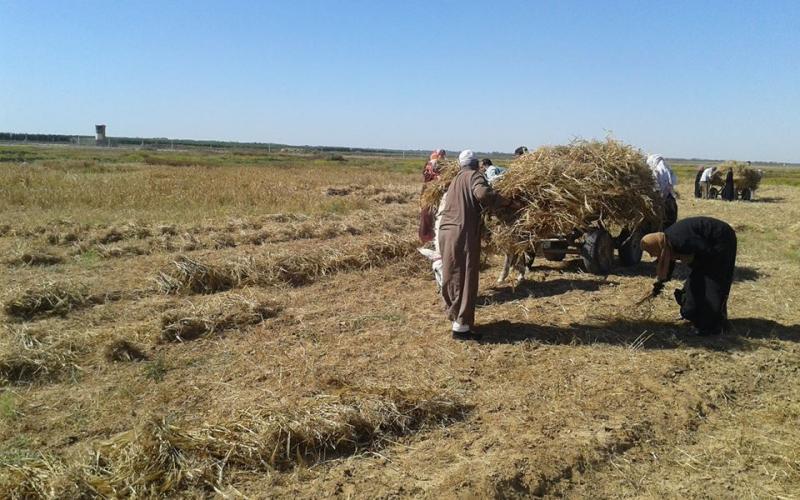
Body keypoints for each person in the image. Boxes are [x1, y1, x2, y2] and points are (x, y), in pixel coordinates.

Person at [439, 149, 511, 340]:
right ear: (476, 164)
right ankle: (461, 328)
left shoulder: (455, 179)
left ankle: (455, 318)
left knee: (452, 275)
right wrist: (504, 201)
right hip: (462, 233)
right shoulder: (474, 176)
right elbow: (482, 194)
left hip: (446, 231)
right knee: (466, 277)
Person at [640, 216, 737, 336]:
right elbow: (668, 265)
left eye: (651, 252)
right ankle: (696, 315)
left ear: (657, 246)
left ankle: (711, 326)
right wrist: (658, 286)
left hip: (720, 239)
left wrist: (697, 265)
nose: (651, 256)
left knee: (711, 284)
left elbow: (705, 251)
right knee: (696, 284)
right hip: (707, 247)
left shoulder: (680, 241)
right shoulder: (666, 243)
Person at [418, 149, 446, 243]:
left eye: (443, 155)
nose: (442, 156)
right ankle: (427, 238)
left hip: (436, 192)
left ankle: (431, 237)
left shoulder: (441, 163)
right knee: (427, 214)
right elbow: (430, 177)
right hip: (431, 192)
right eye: (441, 154)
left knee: (432, 215)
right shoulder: (433, 163)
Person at [646, 154, 678, 228]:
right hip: (670, 200)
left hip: (661, 203)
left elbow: (656, 188)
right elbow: (672, 183)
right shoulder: (668, 170)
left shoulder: (655, 171)